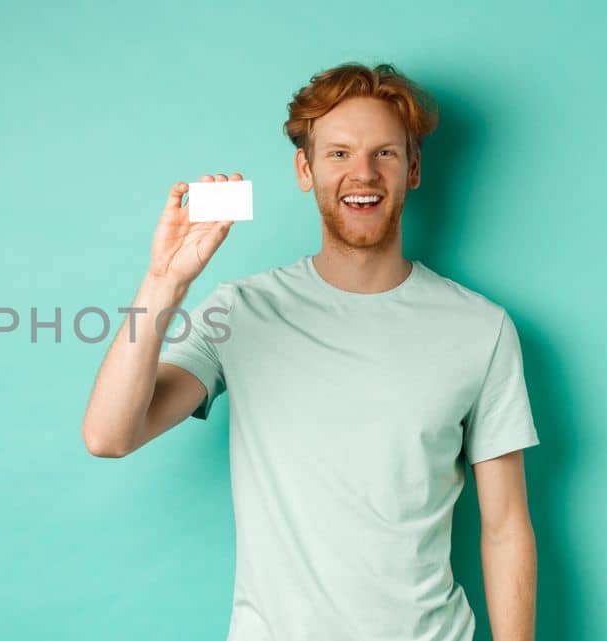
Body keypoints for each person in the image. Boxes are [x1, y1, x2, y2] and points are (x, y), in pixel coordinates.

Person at [79, 62, 539, 641]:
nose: (362, 173)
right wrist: (163, 283)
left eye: (385, 153)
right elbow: (108, 435)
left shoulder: (481, 327)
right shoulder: (240, 310)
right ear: (305, 168)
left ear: (413, 168)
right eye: (339, 153)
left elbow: (505, 528)